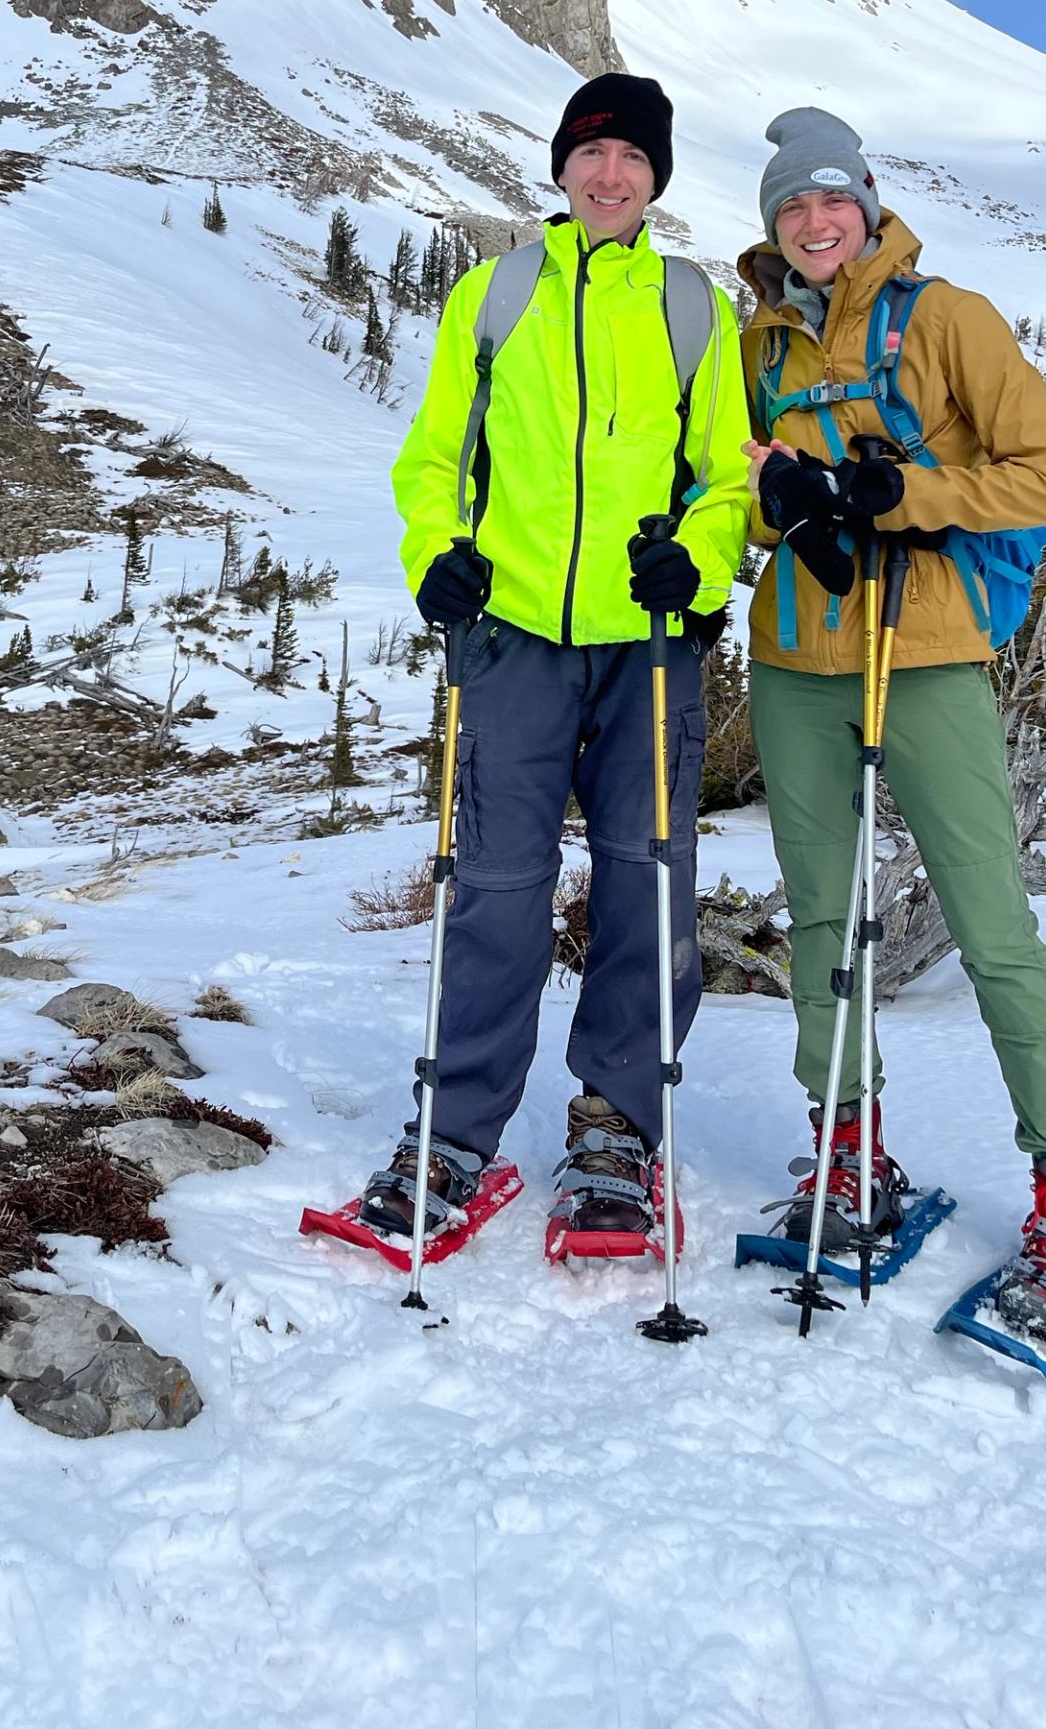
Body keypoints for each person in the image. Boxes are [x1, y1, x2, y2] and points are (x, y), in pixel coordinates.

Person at [739, 105, 1046, 1344]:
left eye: (831, 199)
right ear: (775, 225)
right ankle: (847, 1153)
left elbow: (1044, 476)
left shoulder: (948, 317)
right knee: (817, 917)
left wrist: (907, 489)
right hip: (797, 658)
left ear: (868, 205)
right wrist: (777, 501)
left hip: (932, 653)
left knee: (988, 920)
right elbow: (738, 494)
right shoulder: (759, 347)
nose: (814, 220)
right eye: (792, 206)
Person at [363, 72, 751, 1254]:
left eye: (633, 156)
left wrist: (696, 560)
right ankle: (459, 1131)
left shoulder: (693, 308)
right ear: (562, 170)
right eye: (592, 153)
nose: (610, 173)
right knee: (495, 887)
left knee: (645, 882)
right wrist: (439, 557)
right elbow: (435, 461)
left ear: (656, 178)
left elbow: (726, 477)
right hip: (515, 638)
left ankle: (617, 1129)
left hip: (646, 646)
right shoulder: (495, 295)